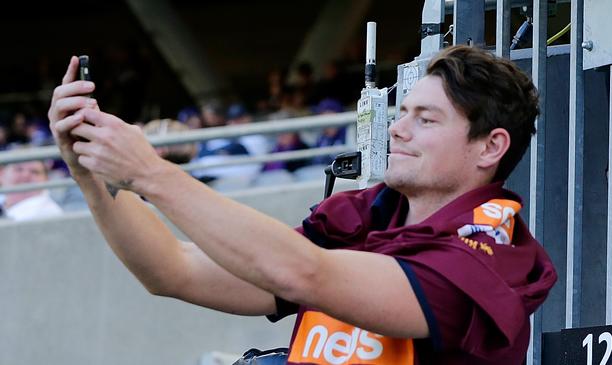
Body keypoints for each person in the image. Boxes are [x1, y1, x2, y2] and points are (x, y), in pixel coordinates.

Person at [48, 46, 556, 364]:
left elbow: (304, 275)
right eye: (402, 112)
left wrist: (151, 172)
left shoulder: (487, 254)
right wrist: (92, 173)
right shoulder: (364, 217)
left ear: (490, 147)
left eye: (426, 119)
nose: (397, 129)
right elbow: (172, 270)